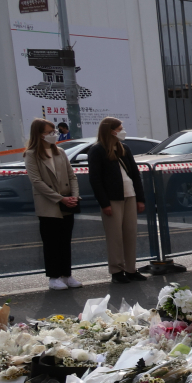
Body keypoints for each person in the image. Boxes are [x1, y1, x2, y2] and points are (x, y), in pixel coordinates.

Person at [23, 118, 81, 290]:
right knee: (51, 242)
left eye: (54, 131)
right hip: (49, 204)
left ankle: (67, 274)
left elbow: (72, 176)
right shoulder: (31, 154)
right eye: (49, 132)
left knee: (65, 240)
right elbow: (36, 181)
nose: (54, 134)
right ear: (39, 134)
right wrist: (59, 198)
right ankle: (54, 277)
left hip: (67, 202)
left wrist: (74, 196)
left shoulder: (60, 152)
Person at [89, 116, 147, 284]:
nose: (122, 132)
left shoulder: (124, 148)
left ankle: (131, 269)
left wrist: (140, 198)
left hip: (130, 194)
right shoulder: (97, 150)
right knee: (115, 236)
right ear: (110, 131)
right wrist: (104, 203)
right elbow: (95, 179)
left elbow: (135, 174)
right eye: (119, 129)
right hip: (112, 198)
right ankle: (116, 271)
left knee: (130, 233)